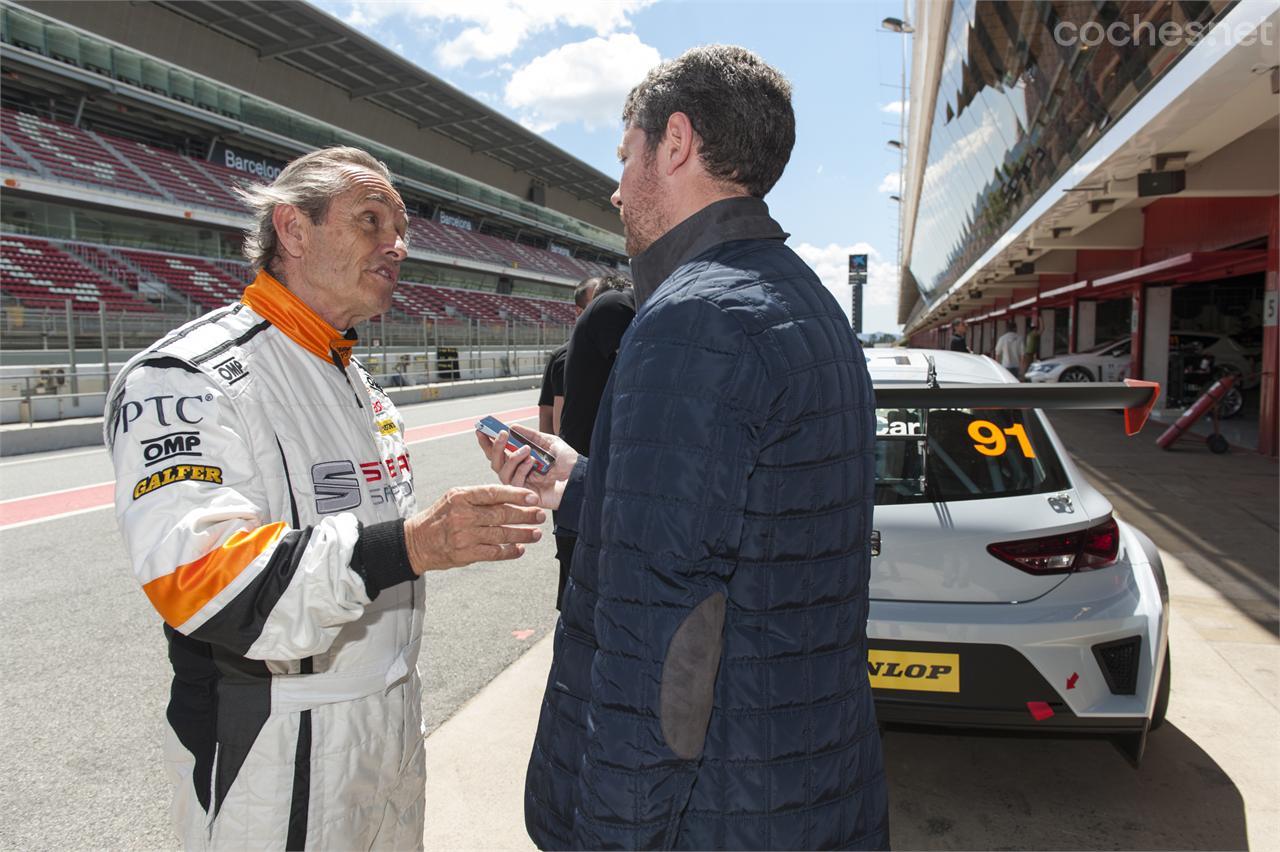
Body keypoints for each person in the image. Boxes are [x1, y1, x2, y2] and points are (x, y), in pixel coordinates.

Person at [480, 45, 888, 851]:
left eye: (625, 154)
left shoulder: (691, 320)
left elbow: (662, 639)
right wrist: (590, 484)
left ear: (674, 143)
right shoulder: (801, 298)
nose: (615, 184)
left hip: (715, 814)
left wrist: (612, 836)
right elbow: (747, 526)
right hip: (804, 787)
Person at [104, 146, 544, 850]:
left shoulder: (363, 388)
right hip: (274, 745)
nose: (396, 245)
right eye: (371, 220)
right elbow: (198, 580)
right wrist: (415, 542)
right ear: (294, 230)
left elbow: (365, 550)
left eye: (401, 228)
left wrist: (452, 526)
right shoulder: (187, 377)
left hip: (393, 728)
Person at [551, 272, 635, 608]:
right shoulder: (616, 305)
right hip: (590, 481)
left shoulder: (609, 310)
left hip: (584, 478)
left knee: (581, 594)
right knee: (587, 599)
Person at [537, 278, 597, 434]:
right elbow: (547, 414)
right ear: (579, 310)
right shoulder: (560, 356)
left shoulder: (618, 350)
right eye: (596, 302)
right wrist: (547, 457)